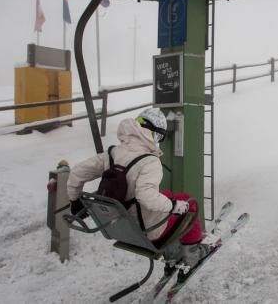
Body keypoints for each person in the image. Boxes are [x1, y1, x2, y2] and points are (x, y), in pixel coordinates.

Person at [66, 107, 209, 280]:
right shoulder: (150, 161)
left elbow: (76, 173)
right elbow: (146, 196)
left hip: (121, 226)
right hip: (148, 230)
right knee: (189, 203)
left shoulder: (112, 153)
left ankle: (174, 254)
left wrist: (75, 200)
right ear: (156, 134)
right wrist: (173, 206)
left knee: (167, 194)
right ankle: (192, 256)